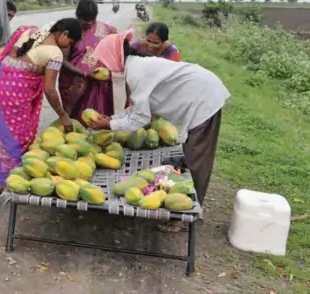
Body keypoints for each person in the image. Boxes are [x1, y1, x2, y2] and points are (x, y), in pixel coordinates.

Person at [87, 32, 230, 233]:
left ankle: (185, 215)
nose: (103, 65)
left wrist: (108, 126)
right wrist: (112, 119)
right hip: (201, 91)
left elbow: (141, 119)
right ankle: (184, 206)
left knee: (196, 157)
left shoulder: (137, 72)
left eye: (104, 60)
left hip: (204, 98)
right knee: (190, 154)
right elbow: (139, 109)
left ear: (113, 56)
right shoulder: (135, 66)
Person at [0, 19, 83, 193]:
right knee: (15, 135)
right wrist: (63, 116)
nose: (68, 47)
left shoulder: (28, 30)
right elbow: (50, 90)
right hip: (15, 94)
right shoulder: (55, 53)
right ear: (64, 34)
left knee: (1, 132)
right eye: (70, 42)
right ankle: (3, 180)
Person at [58, 0, 118, 124]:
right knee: (76, 119)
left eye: (93, 20)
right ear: (78, 16)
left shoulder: (105, 30)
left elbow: (116, 48)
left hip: (98, 81)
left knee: (97, 116)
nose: (89, 24)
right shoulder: (70, 31)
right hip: (75, 81)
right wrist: (84, 73)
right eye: (85, 20)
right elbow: (62, 60)